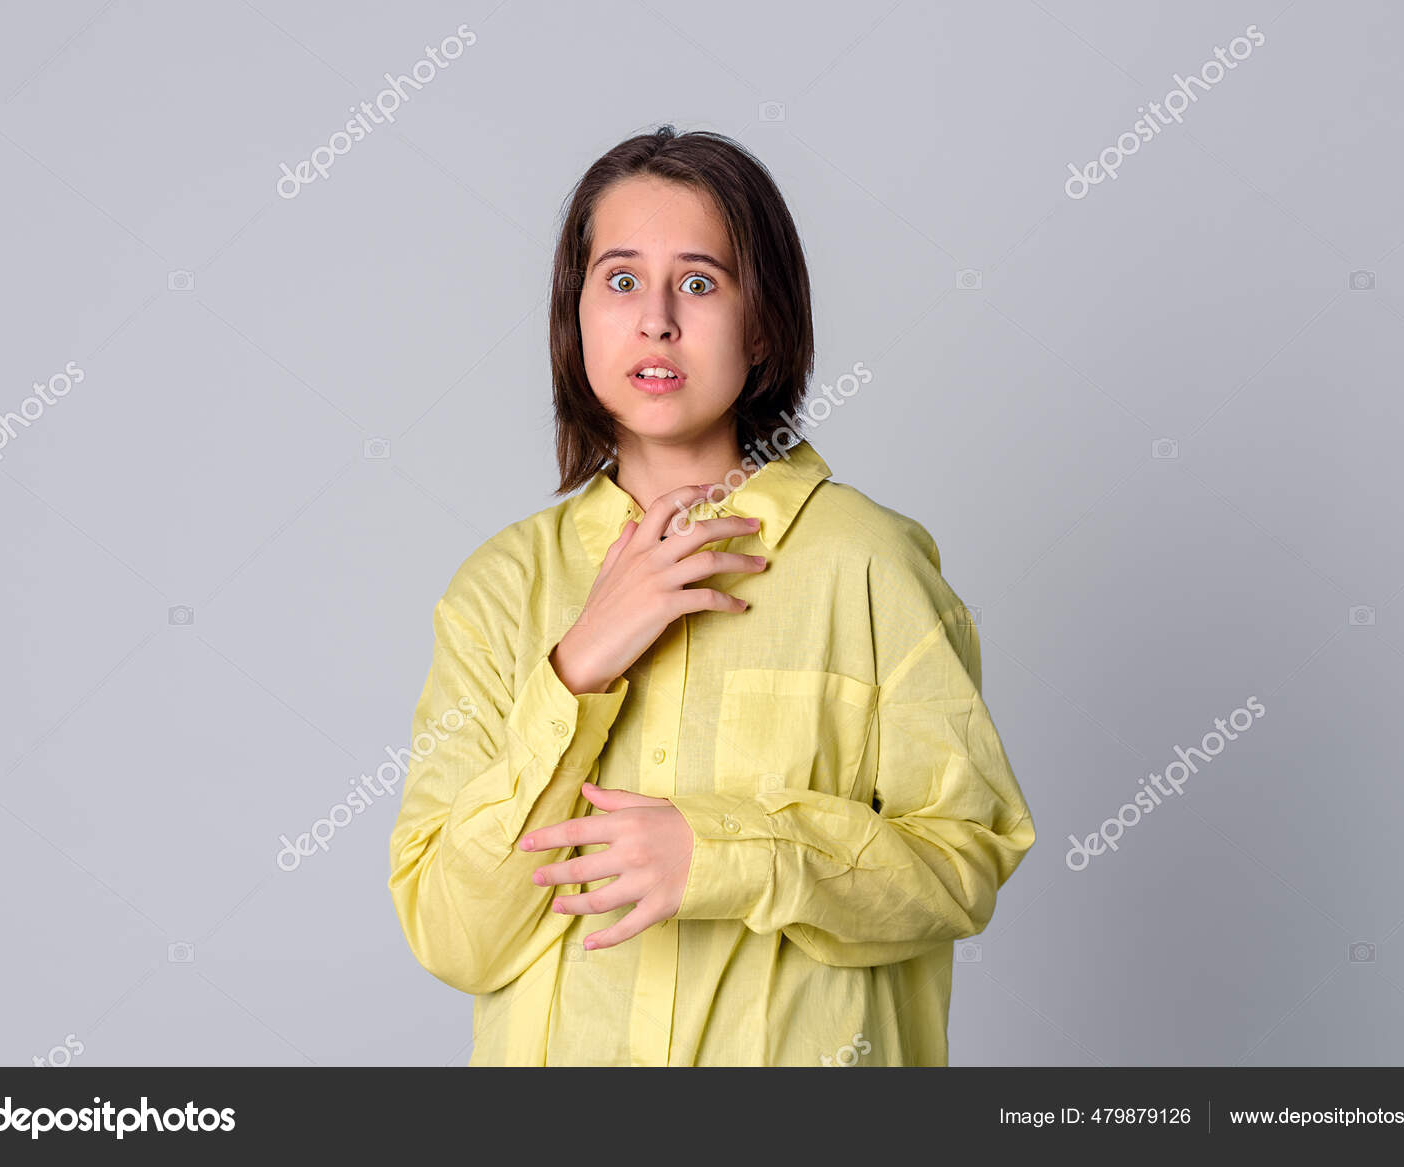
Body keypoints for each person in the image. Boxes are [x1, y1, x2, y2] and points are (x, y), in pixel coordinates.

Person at [388, 125, 1035, 1066]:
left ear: (763, 321)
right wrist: (576, 669)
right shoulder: (500, 590)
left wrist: (723, 851)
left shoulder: (867, 563)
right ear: (576, 316)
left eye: (699, 282)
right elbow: (454, 934)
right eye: (619, 280)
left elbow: (962, 862)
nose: (655, 320)